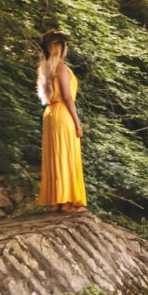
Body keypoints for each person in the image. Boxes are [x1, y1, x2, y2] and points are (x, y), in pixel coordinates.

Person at [37, 30, 87, 212]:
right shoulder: (61, 68)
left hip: (50, 114)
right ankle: (65, 202)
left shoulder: (45, 68)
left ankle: (54, 202)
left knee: (54, 156)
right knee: (65, 155)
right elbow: (67, 96)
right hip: (63, 114)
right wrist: (77, 123)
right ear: (61, 47)